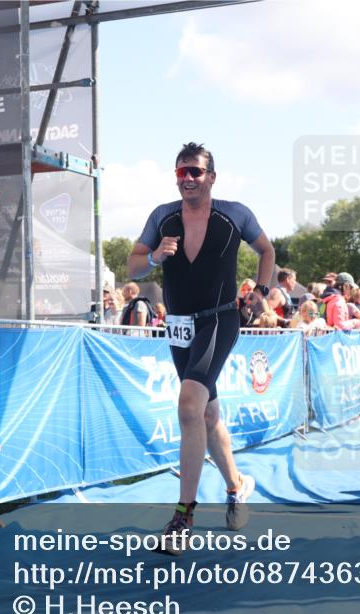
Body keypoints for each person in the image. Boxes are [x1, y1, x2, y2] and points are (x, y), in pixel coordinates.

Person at [128, 141, 273, 553]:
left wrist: (261, 291)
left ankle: (183, 516)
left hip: (219, 319)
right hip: (178, 325)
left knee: (190, 405)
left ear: (211, 176)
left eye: (195, 171)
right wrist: (154, 257)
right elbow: (133, 266)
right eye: (181, 171)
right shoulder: (162, 216)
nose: (188, 178)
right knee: (207, 414)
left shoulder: (235, 213)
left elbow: (266, 250)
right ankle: (236, 486)